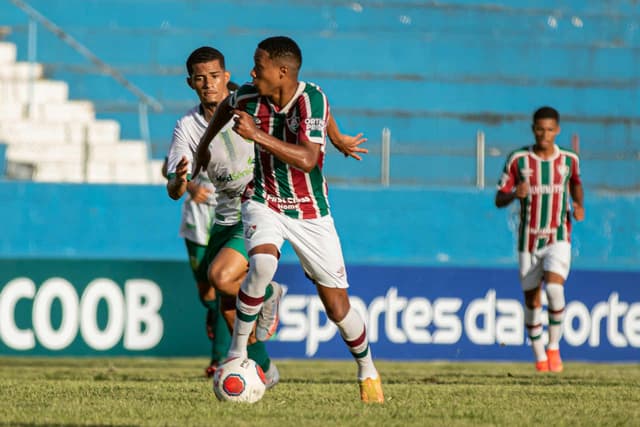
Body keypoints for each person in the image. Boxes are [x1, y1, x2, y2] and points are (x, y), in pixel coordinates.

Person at [194, 36, 384, 403]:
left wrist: (260, 135)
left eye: (259, 65)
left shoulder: (312, 99)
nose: (252, 71)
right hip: (264, 200)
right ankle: (237, 354)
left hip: (311, 212)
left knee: (338, 309)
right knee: (262, 263)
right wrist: (204, 146)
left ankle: (367, 369)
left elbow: (308, 159)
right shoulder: (249, 96)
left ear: (282, 72)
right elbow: (225, 109)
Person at [495, 106, 584, 373]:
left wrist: (579, 205)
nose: (544, 134)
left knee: (555, 290)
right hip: (528, 241)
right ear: (533, 129)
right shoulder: (518, 160)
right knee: (532, 301)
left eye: (550, 129)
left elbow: (576, 183)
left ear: (557, 130)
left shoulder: (569, 159)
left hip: (558, 235)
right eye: (539, 129)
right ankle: (539, 357)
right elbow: (499, 198)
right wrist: (514, 194)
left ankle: (554, 348)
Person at [162, 46, 232, 377]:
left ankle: (221, 361)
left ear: (226, 78)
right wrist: (186, 185)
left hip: (234, 217)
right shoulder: (186, 126)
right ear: (191, 83)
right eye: (201, 79)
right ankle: (213, 316)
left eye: (214, 77)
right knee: (207, 294)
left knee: (222, 285)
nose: (208, 84)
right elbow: (172, 173)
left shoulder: (247, 111)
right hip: (198, 220)